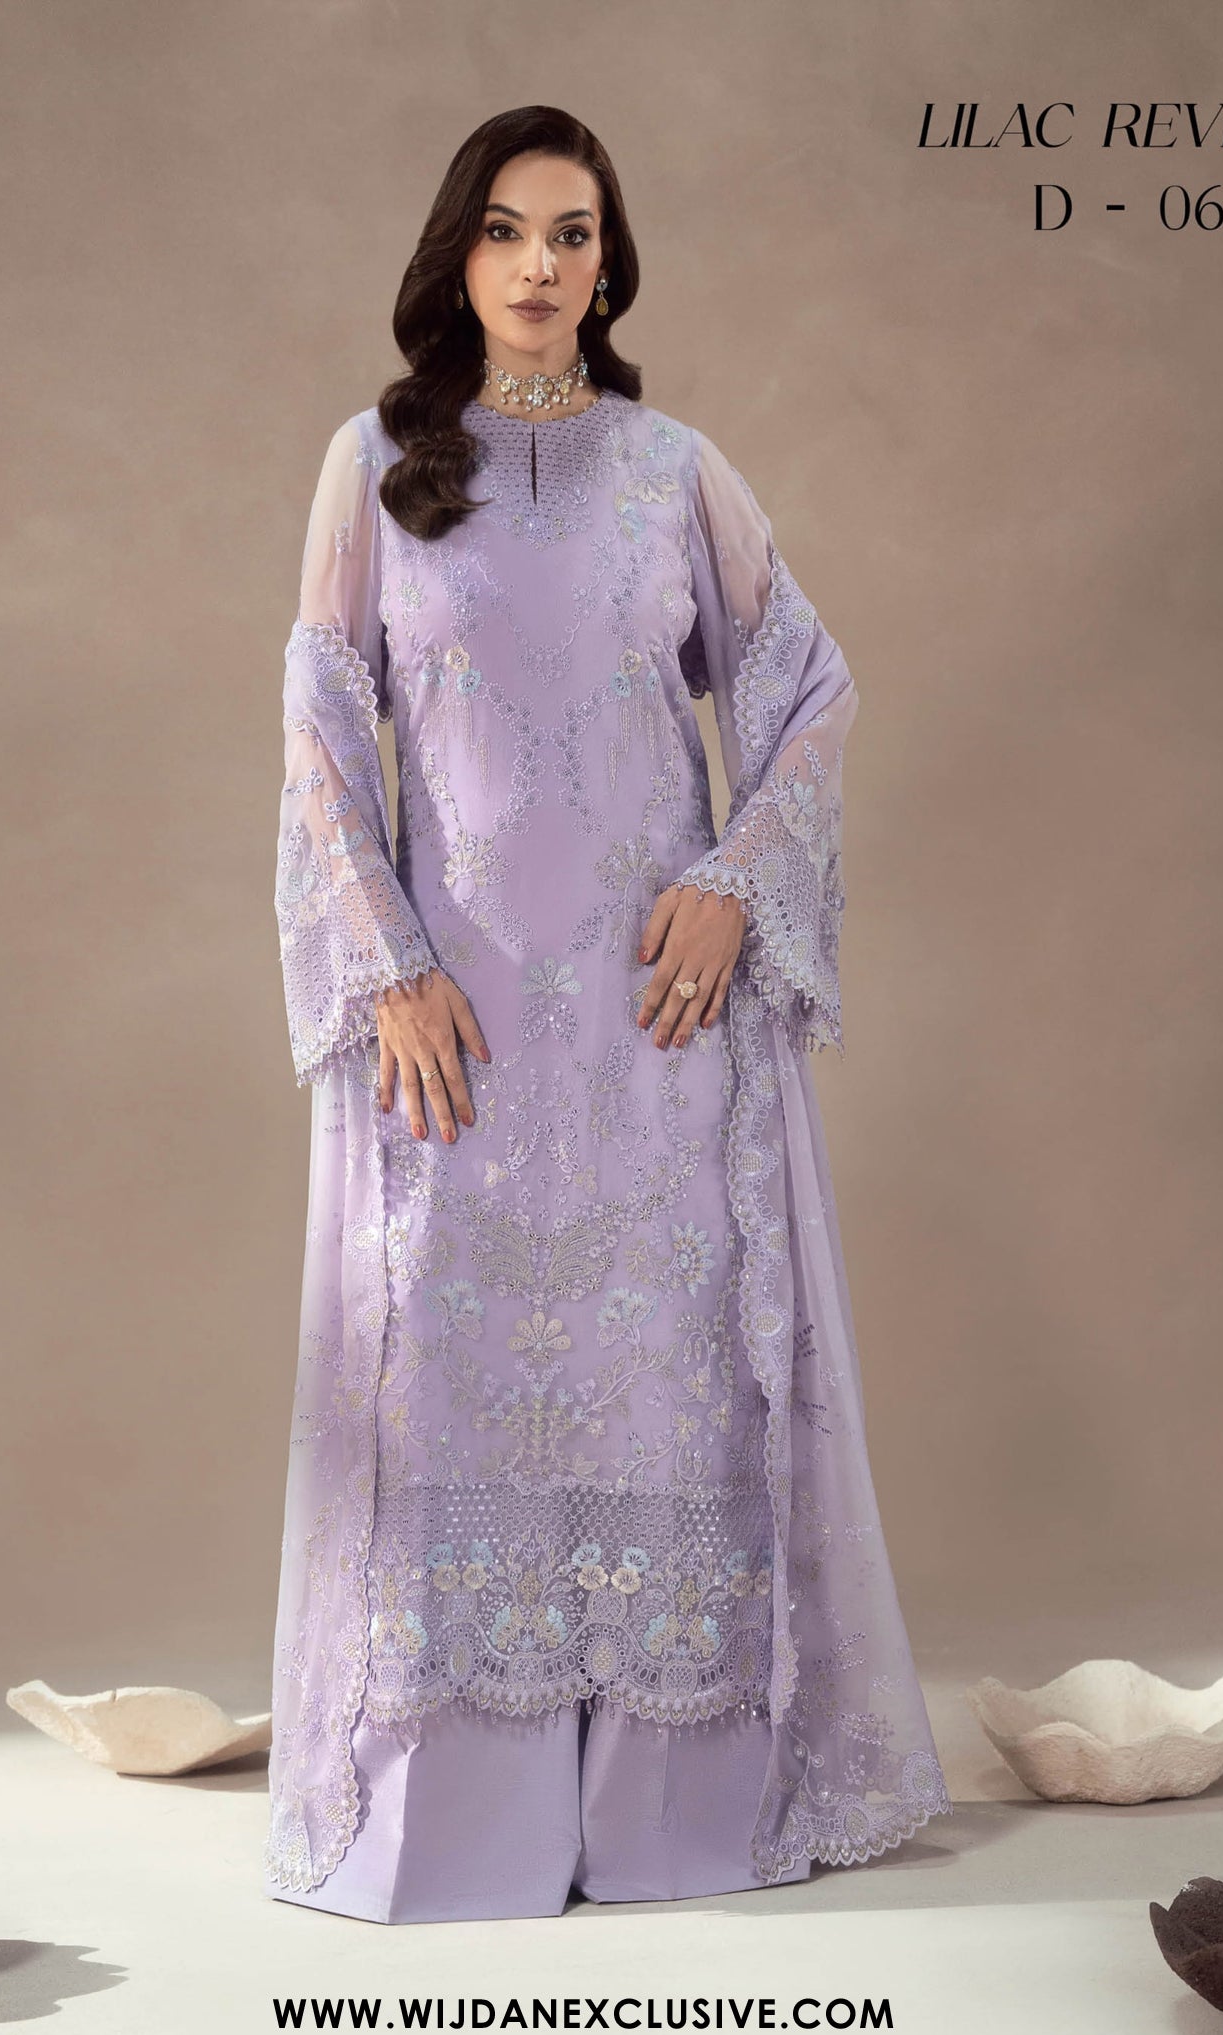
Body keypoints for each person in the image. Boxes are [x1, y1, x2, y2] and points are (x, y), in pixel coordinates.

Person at [264, 104, 950, 1925]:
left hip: (656, 1034)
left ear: (608, 261)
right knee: (454, 1396)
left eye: (572, 232)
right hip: (457, 1037)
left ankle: (670, 1822)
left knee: (665, 1399)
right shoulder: (372, 466)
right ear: (457, 255)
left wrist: (732, 883)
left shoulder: (674, 473)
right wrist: (386, 963)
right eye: (506, 229)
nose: (540, 264)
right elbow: (322, 740)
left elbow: (807, 696)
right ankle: (455, 1829)